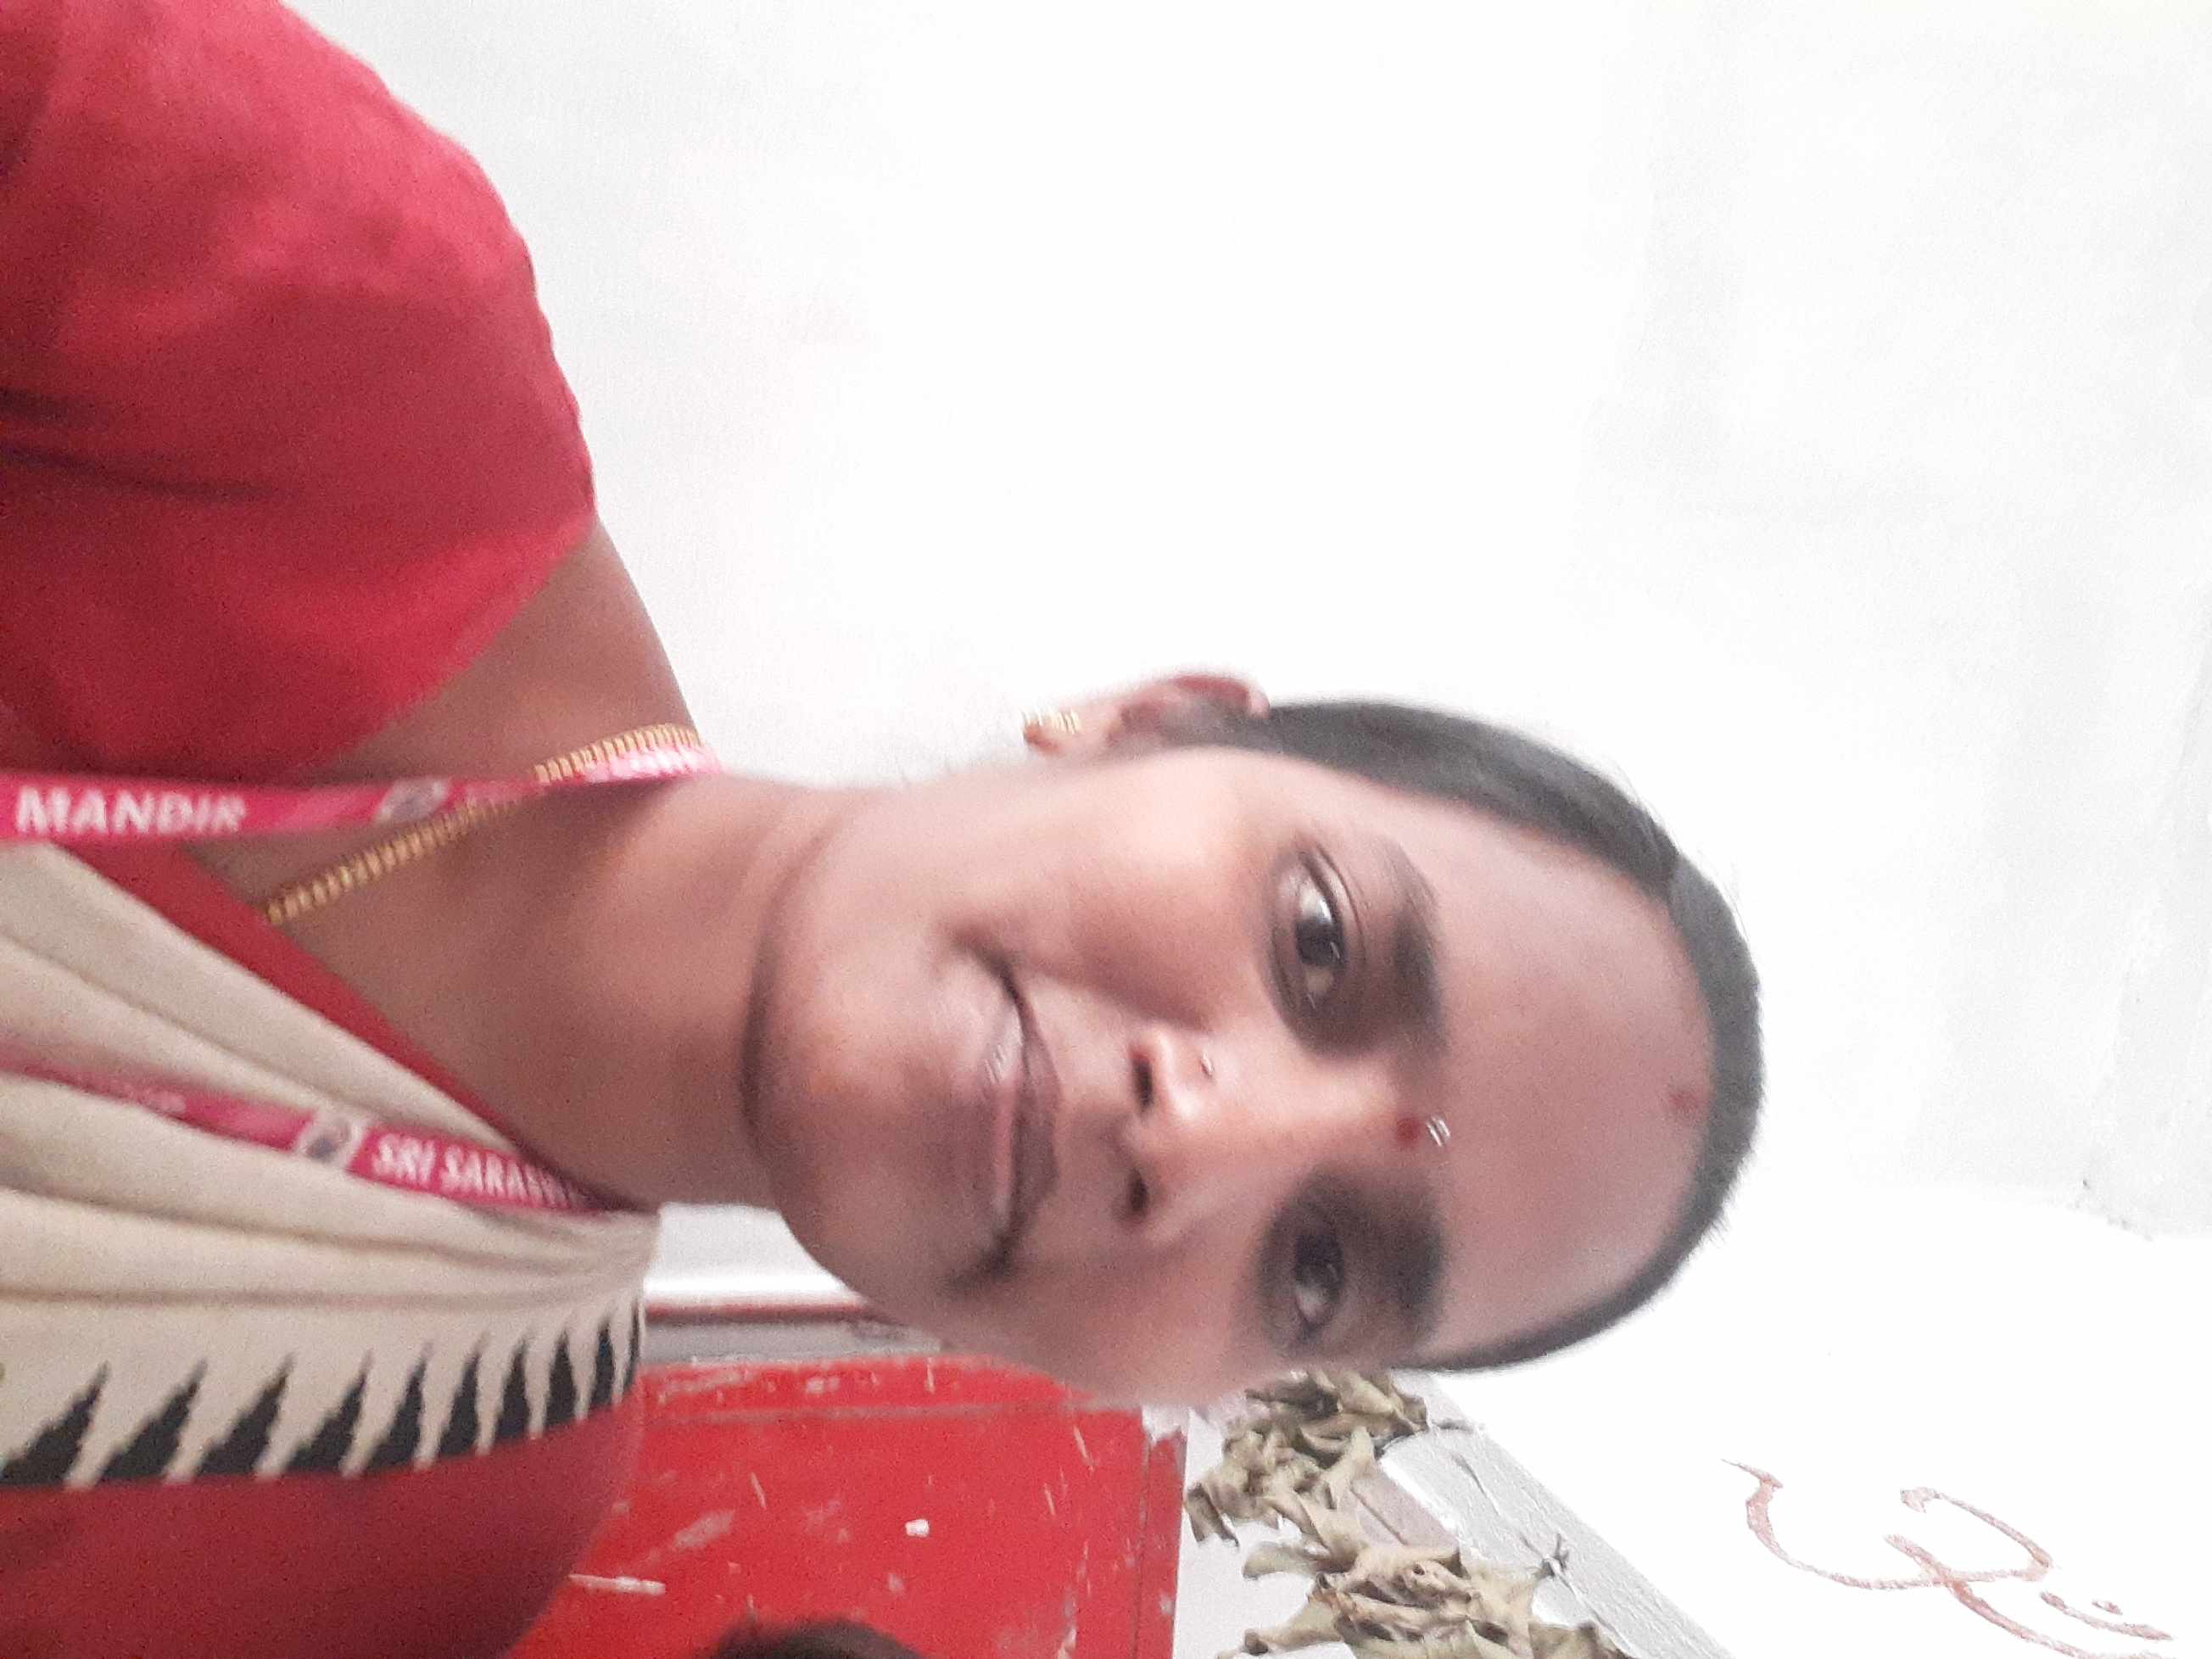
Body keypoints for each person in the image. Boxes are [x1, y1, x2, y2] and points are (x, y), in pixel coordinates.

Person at [0, 1, 1761, 1655]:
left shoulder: (429, 1511)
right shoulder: (335, 343)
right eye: (1318, 944)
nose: (1203, 1138)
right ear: (1148, 719)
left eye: (1315, 1268)